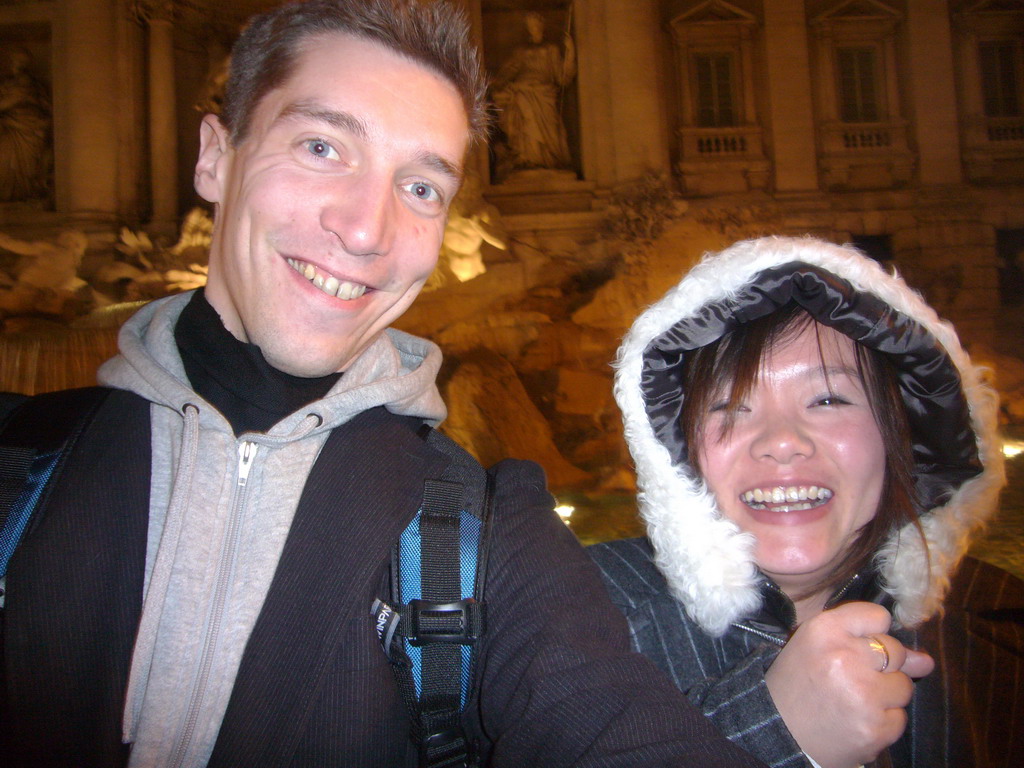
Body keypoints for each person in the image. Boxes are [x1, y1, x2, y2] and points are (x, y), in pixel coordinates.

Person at [0, 2, 770, 767]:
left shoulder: (490, 530)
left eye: (422, 188)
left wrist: (778, 722)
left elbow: (607, 718)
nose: (368, 230)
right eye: (322, 146)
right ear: (216, 157)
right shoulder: (15, 467)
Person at [591, 235, 1024, 768]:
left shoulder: (1000, 629)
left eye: (827, 399)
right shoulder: (578, 616)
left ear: (904, 433)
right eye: (728, 406)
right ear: (673, 450)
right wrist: (773, 732)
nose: (781, 440)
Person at [491, 11, 575, 178]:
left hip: (545, 92)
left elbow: (562, 77)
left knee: (548, 124)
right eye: (530, 25)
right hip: (523, 90)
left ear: (541, 26)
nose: (534, 28)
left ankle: (548, 160)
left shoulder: (551, 49)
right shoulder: (521, 51)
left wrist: (570, 52)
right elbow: (509, 72)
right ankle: (526, 158)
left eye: (536, 24)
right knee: (525, 119)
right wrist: (495, 84)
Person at [0, 47, 51, 202]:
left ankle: (23, 193)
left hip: (26, 127)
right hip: (13, 126)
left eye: (15, 61)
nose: (13, 64)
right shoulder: (10, 82)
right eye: (12, 60)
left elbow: (8, 102)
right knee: (5, 159)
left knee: (19, 163)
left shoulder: (26, 82)